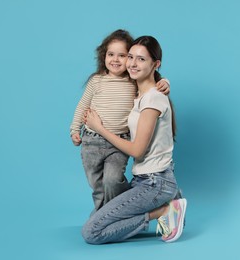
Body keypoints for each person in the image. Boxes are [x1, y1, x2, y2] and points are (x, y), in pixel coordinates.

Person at [82, 35, 187, 244]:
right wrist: (164, 81)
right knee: (98, 220)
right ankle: (169, 201)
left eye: (141, 59)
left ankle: (165, 210)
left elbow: (137, 151)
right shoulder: (140, 93)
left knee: (92, 233)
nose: (132, 63)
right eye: (130, 57)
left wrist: (99, 129)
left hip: (155, 182)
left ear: (155, 64)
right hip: (142, 180)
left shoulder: (153, 98)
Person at [70, 29, 171, 213]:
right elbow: (82, 106)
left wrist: (166, 82)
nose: (115, 60)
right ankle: (103, 213)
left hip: (119, 142)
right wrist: (74, 129)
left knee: (113, 180)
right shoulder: (97, 81)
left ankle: (114, 211)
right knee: (97, 184)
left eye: (122, 55)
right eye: (110, 54)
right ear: (103, 56)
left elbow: (152, 81)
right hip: (91, 141)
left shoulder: (132, 81)